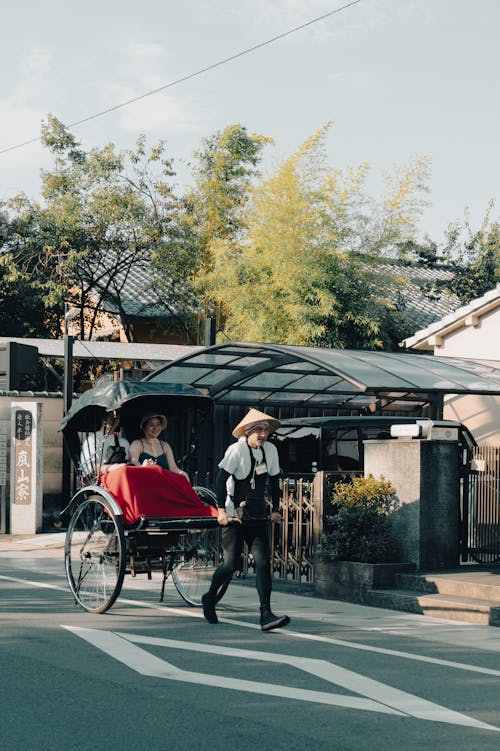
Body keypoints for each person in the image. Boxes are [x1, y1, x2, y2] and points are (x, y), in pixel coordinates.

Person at [201, 408, 290, 632]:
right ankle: (210, 597)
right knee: (231, 564)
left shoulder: (270, 450)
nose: (263, 435)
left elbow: (275, 480)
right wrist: (220, 510)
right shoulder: (237, 449)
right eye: (258, 430)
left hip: (258, 513)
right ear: (248, 432)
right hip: (235, 514)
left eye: (265, 431)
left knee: (262, 562)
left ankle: (266, 614)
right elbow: (221, 480)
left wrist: (276, 509)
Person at [129, 412, 190, 480]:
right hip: (145, 483)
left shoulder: (165, 446)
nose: (155, 428)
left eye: (158, 425)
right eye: (151, 425)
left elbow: (173, 468)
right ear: (144, 427)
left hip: (164, 483)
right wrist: (143, 467)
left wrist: (182, 474)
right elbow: (133, 467)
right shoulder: (137, 444)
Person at [80, 411, 130, 479]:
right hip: (102, 479)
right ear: (103, 418)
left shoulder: (124, 442)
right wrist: (111, 468)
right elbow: (89, 467)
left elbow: (129, 462)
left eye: (117, 417)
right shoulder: (92, 440)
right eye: (110, 417)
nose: (113, 420)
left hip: (122, 476)